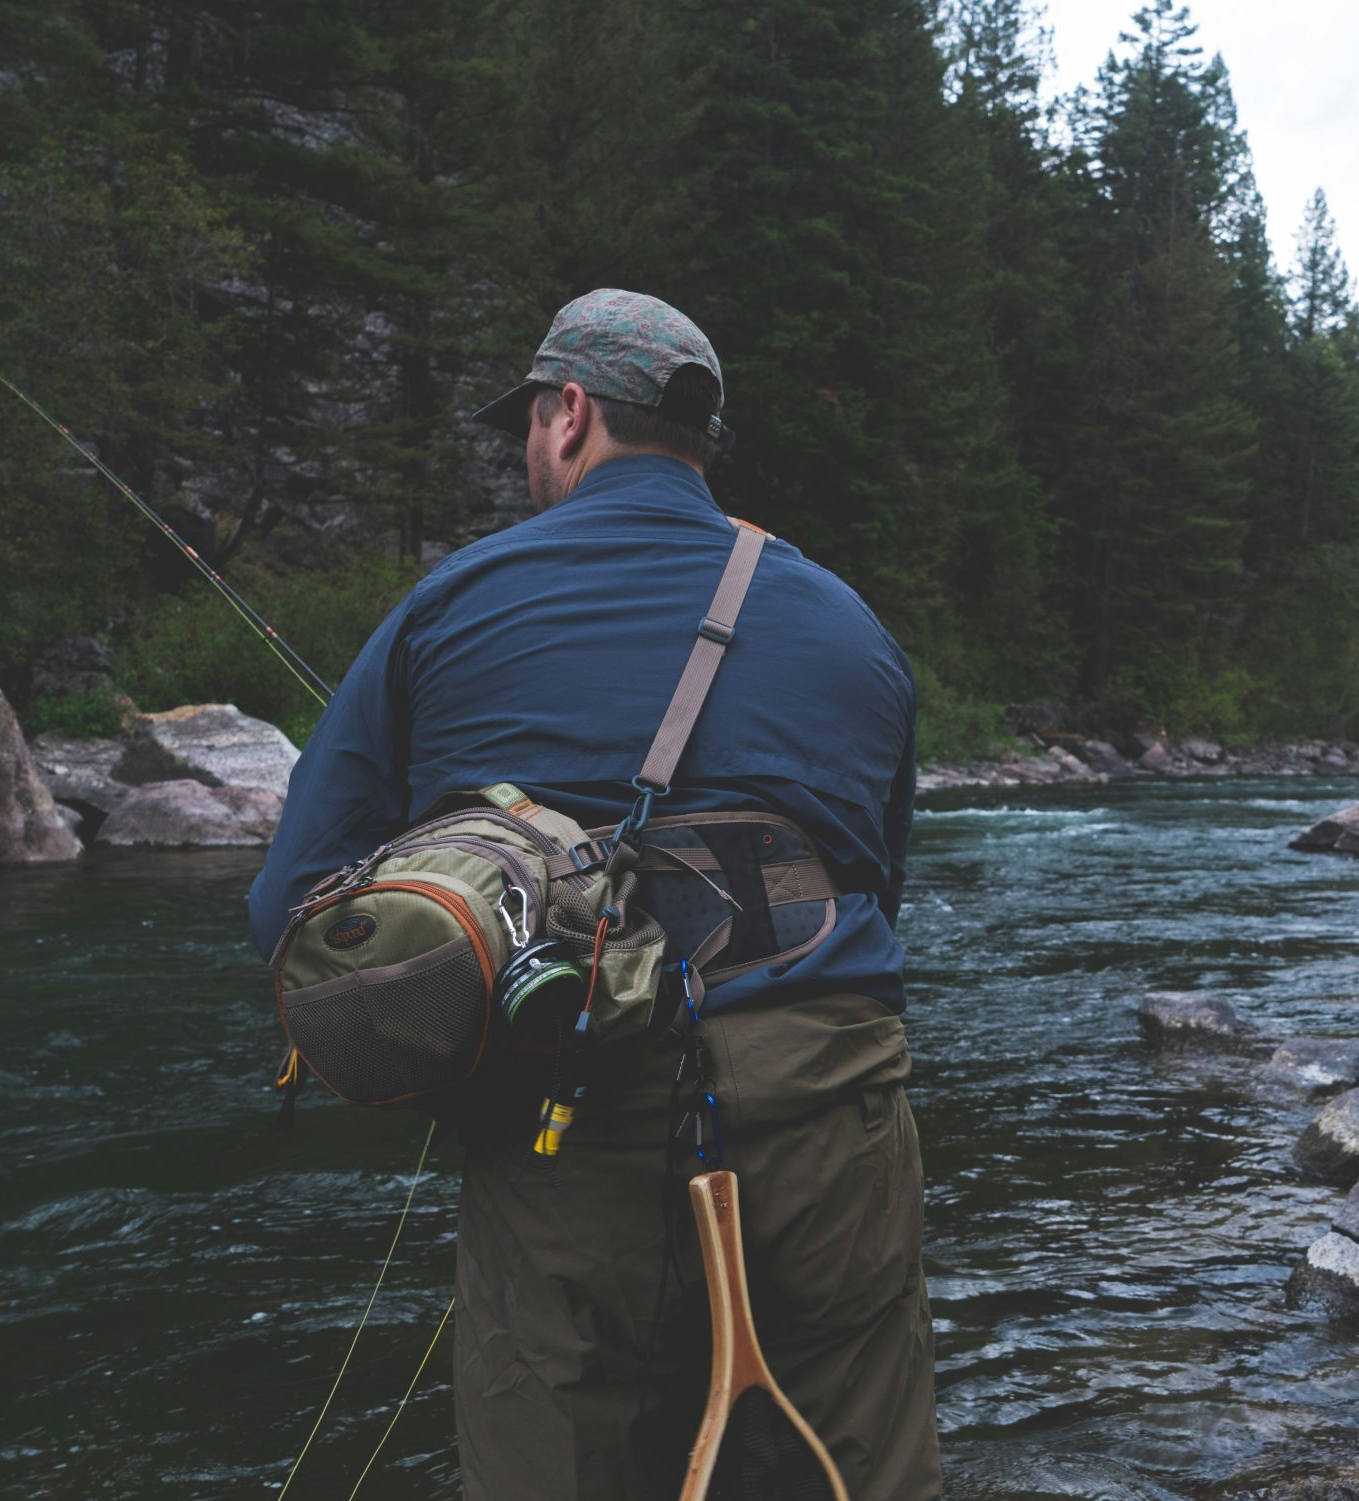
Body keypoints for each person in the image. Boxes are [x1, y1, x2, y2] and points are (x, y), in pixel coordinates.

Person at [248, 289, 941, 1499]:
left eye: (528, 421)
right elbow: (879, 879)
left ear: (569, 415)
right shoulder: (850, 625)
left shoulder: (449, 604)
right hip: (826, 1107)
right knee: (860, 1467)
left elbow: (294, 912)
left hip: (559, 1111)